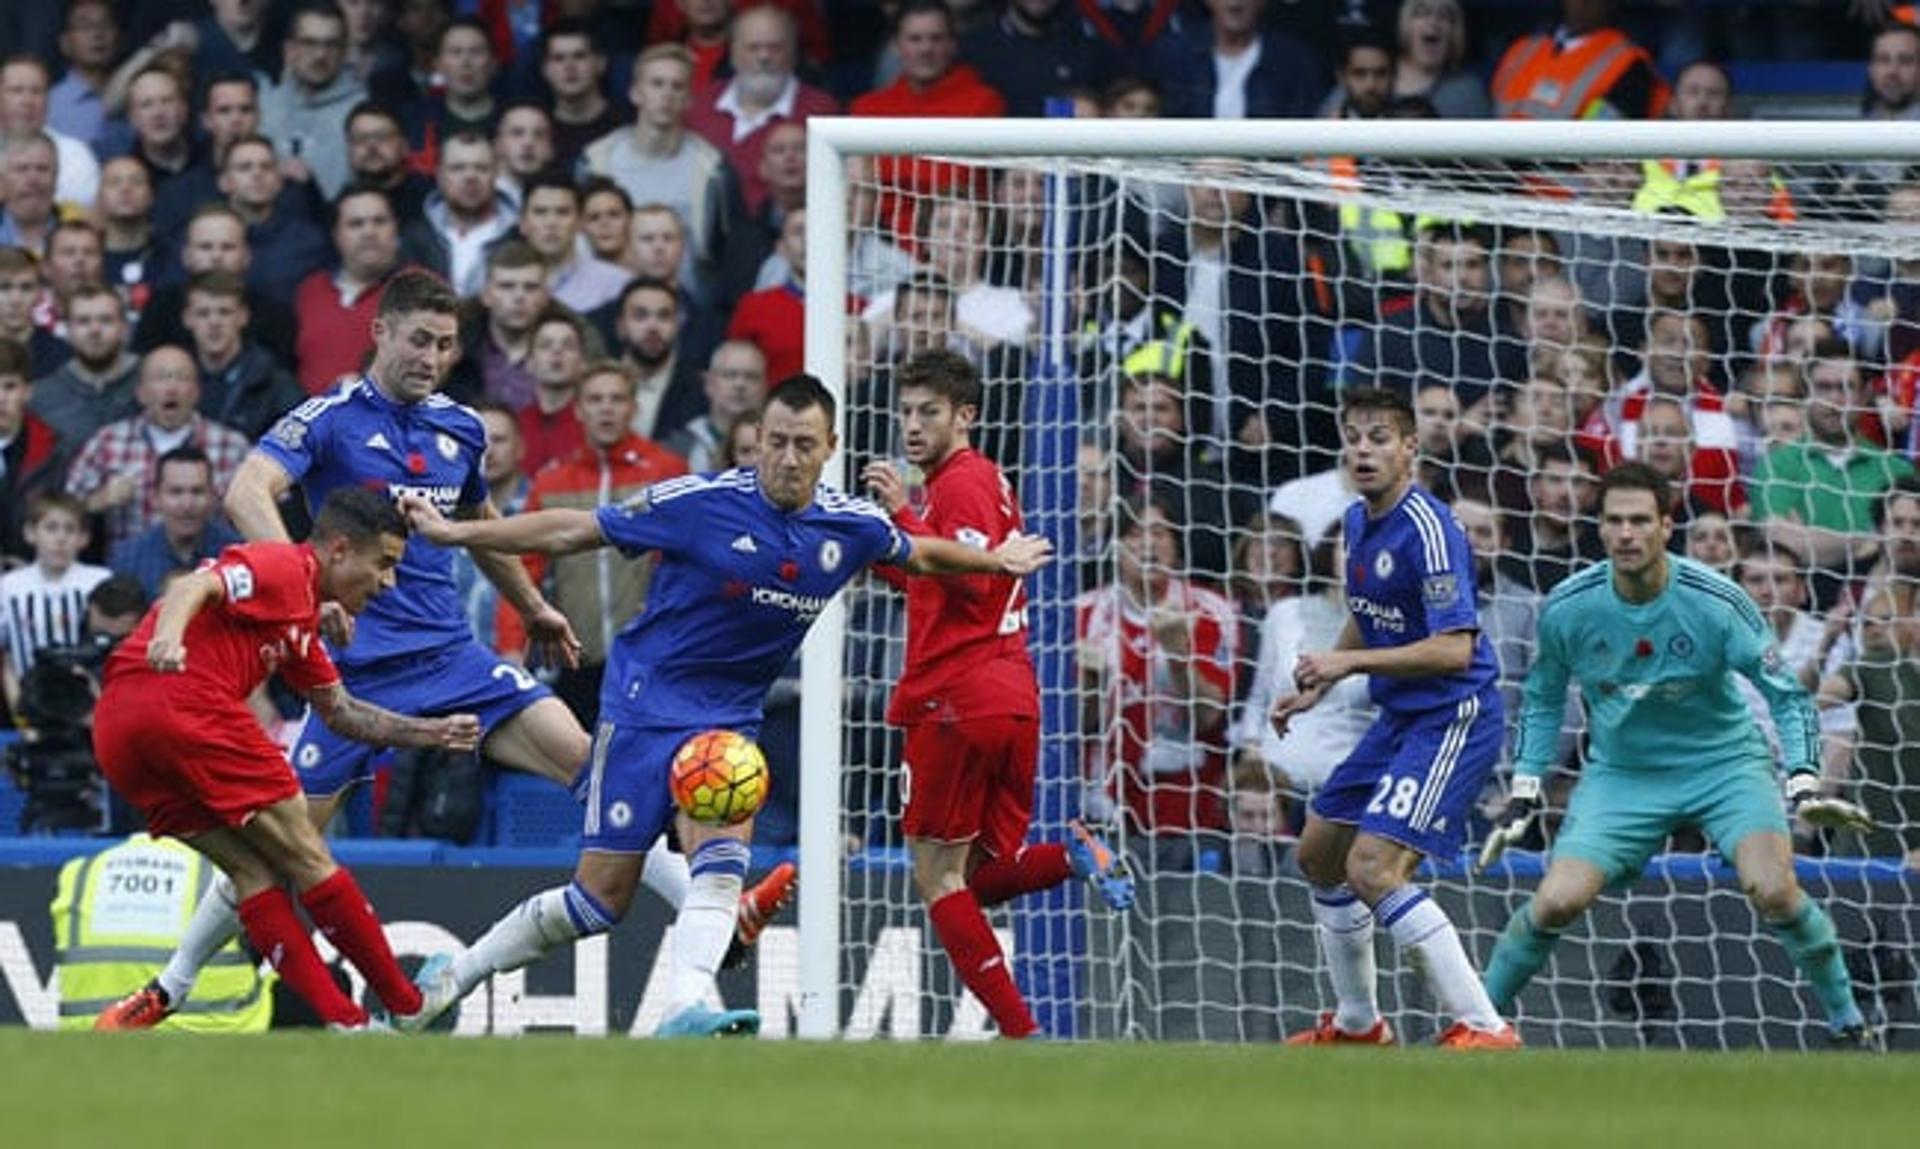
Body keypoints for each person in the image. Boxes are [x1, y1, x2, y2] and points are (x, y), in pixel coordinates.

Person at [99, 270, 790, 1029]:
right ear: (382, 333)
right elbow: (246, 491)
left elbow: (478, 519)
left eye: (447, 343)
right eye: (420, 340)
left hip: (454, 658)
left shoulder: (460, 426)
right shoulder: (328, 418)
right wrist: (303, 589)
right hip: (353, 674)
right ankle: (171, 985)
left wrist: (532, 604)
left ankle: (708, 907)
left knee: (591, 764)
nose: (432, 356)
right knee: (274, 847)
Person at [399, 373, 1054, 1037]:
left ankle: (687, 1006)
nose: (788, 458)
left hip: (729, 719)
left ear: (830, 446)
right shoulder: (703, 502)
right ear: (757, 442)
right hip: (645, 702)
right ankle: (458, 970)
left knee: (720, 862)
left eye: (804, 444)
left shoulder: (849, 524)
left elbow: (919, 554)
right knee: (598, 901)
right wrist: (456, 535)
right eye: (776, 442)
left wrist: (997, 561)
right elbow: (576, 530)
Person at [1479, 463, 1878, 1048]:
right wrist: (1525, 786)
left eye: (1640, 520)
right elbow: (1540, 700)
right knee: (1557, 901)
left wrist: (1802, 781)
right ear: (1601, 528)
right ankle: (1478, 1023)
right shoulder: (1569, 606)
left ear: (1666, 526)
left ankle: (1849, 1024)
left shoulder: (1717, 600)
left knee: (1773, 890)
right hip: (1623, 775)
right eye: (1614, 521)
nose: (1627, 534)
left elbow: (1789, 699)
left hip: (1725, 766)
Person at [90, 487, 478, 1031]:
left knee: (253, 871)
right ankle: (407, 1006)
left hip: (119, 734)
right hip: (183, 701)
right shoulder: (282, 567)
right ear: (340, 550)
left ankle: (348, 1023)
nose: (388, 582)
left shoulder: (297, 620)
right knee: (308, 857)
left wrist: (430, 732)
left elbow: (341, 713)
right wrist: (170, 640)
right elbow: (195, 585)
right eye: (384, 564)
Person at [858, 350, 1132, 1040]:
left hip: (956, 698)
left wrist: (903, 519)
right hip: (1008, 694)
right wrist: (891, 549)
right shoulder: (975, 484)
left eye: (930, 412)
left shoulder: (962, 482)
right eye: (907, 411)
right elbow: (946, 585)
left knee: (935, 877)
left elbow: (974, 582)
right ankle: (1072, 857)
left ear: (966, 416)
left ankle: (1020, 1033)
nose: (912, 426)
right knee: (978, 878)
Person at [1270, 387, 1518, 1049]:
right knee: (1320, 854)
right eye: (1353, 436)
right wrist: (1319, 683)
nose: (1363, 448)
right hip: (1400, 714)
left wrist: (1347, 667)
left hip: (1453, 713)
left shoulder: (1432, 530)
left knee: (1373, 867)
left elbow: (1453, 647)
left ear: (1411, 447)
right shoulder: (1356, 521)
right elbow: (1367, 611)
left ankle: (1487, 1027)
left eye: (1380, 437)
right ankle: (1359, 1024)